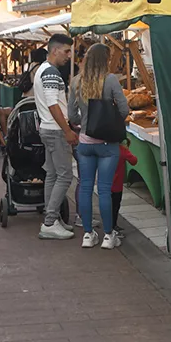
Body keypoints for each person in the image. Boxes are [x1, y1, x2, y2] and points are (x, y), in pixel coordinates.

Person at [68, 43, 128, 249]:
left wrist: (83, 122)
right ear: (105, 60)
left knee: (85, 188)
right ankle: (109, 236)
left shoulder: (76, 81)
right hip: (107, 144)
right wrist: (112, 122)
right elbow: (124, 109)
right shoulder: (110, 80)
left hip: (85, 142)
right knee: (104, 190)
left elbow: (71, 116)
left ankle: (87, 234)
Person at [35, 32, 78, 239]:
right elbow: (53, 104)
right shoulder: (51, 73)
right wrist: (67, 130)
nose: (69, 55)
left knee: (52, 175)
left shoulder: (42, 70)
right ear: (54, 50)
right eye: (66, 51)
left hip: (47, 128)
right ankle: (50, 222)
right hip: (55, 129)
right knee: (64, 176)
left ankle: (52, 218)